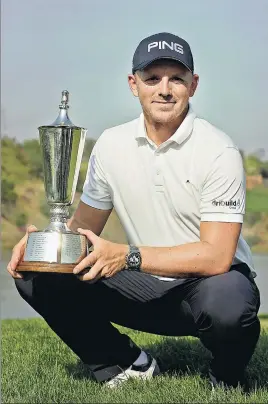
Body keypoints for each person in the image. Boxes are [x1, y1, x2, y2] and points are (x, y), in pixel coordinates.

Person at [8, 32, 260, 390]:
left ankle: (228, 375)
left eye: (177, 78)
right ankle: (124, 363)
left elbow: (217, 256)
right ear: (133, 84)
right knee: (38, 273)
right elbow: (83, 229)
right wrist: (46, 245)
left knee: (228, 303)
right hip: (144, 289)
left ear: (194, 84)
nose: (164, 89)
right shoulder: (111, 144)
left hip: (207, 289)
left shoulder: (219, 150)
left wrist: (127, 256)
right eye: (152, 78)